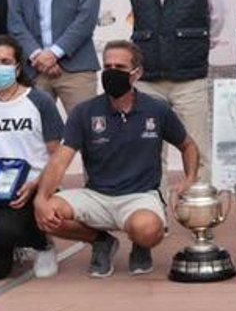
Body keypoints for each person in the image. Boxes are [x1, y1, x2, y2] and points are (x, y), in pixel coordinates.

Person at [33, 40, 200, 278]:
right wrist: (41, 197)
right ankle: (101, 241)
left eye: (119, 67)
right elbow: (60, 160)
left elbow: (188, 145)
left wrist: (190, 178)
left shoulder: (157, 109)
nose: (112, 72)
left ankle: (140, 245)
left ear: (136, 73)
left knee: (148, 230)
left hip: (140, 196)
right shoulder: (85, 112)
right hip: (96, 196)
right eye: (107, 66)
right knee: (47, 213)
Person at [128, 0, 225, 188]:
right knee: (149, 152)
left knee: (197, 150)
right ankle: (155, 213)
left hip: (189, 78)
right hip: (148, 80)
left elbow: (216, 17)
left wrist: (190, 47)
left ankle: (201, 215)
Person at [0, 36, 66, 280]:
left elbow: (57, 156)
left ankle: (42, 244)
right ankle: (13, 242)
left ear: (18, 67)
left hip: (35, 185)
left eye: (5, 61)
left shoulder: (39, 101)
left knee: (4, 229)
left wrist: (36, 185)